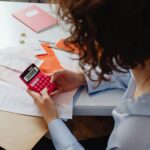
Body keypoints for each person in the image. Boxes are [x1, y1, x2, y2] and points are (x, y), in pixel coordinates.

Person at [28, 0, 150, 149]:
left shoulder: (132, 136)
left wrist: (53, 120)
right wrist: (83, 79)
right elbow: (130, 74)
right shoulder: (143, 60)